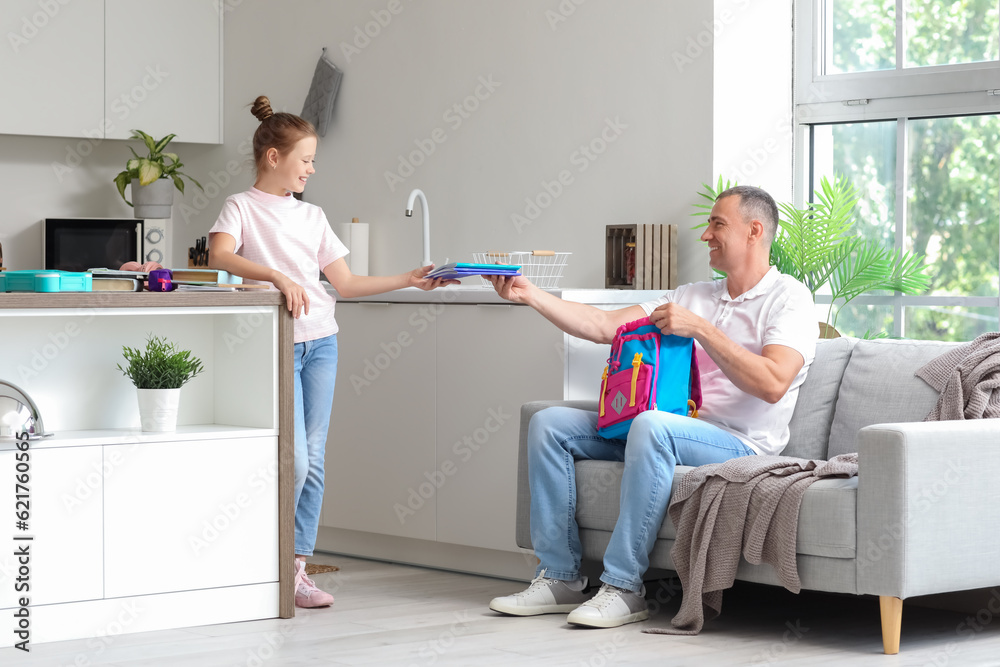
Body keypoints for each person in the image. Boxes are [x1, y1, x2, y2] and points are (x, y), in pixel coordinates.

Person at [486, 185, 818, 628]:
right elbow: (603, 326)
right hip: (666, 431)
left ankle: (624, 587)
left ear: (755, 231)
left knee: (652, 425)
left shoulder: (789, 299)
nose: (705, 235)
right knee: (550, 424)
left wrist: (700, 329)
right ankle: (561, 578)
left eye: (718, 224)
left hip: (742, 445)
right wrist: (530, 294)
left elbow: (773, 383)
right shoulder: (693, 294)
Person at [209, 96, 457, 608]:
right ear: (274, 158)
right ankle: (265, 559)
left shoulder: (313, 215)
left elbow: (342, 281)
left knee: (315, 460)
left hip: (322, 341)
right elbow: (220, 254)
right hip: (277, 342)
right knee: (294, 460)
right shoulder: (241, 207)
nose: (311, 169)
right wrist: (278, 276)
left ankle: (296, 569)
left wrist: (408, 280)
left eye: (312, 160)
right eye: (305, 159)